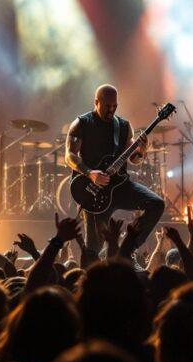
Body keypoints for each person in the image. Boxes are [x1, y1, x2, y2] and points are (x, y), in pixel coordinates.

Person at [64, 84, 165, 252]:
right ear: (96, 102)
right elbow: (69, 156)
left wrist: (142, 151)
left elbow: (134, 159)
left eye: (114, 106)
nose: (111, 110)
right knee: (93, 249)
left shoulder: (124, 126)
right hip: (95, 190)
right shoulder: (82, 123)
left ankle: (128, 247)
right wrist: (90, 173)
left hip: (120, 186)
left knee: (156, 204)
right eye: (107, 106)